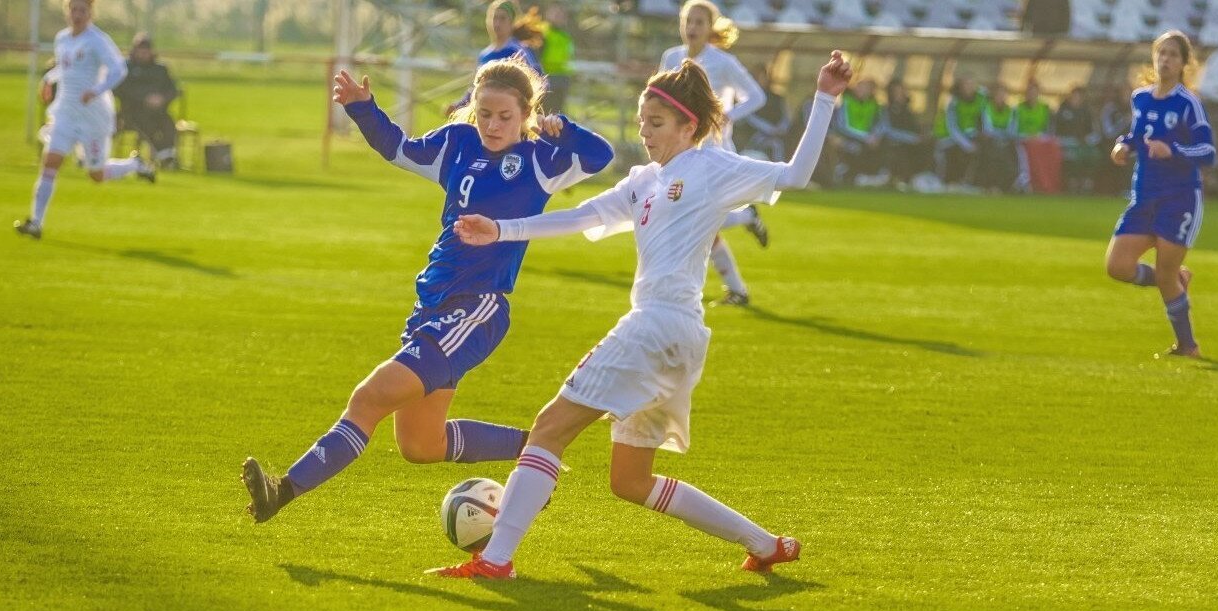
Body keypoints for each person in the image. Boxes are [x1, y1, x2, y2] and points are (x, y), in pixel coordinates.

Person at [428, 52, 856, 579]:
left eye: (655, 124)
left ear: (688, 125)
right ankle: (766, 544)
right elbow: (581, 215)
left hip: (655, 328)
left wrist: (823, 98)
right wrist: (501, 229)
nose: (645, 133)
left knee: (548, 430)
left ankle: (496, 561)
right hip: (678, 337)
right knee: (630, 481)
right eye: (640, 123)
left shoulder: (711, 168)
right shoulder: (644, 180)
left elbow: (796, 174)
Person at [239, 60, 613, 524]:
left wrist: (565, 131)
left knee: (369, 399)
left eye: (504, 116)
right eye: (484, 114)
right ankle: (536, 450)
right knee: (420, 445)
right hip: (432, 304)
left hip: (476, 308)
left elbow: (601, 156)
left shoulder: (542, 159)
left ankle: (283, 490)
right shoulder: (457, 142)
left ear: (526, 115)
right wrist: (363, 108)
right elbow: (398, 147)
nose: (492, 125)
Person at [1104, 30, 1215, 358]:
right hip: (1144, 197)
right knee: (1117, 266)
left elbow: (1207, 151)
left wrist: (1174, 150)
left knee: (1164, 273)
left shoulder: (1188, 104)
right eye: (1161, 53)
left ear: (1183, 63)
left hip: (1179, 198)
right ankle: (1177, 280)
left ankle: (1188, 345)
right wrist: (1123, 146)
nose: (1165, 59)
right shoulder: (1140, 98)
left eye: (1173, 55)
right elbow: (1138, 135)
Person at [660, 0, 771, 307]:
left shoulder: (722, 62)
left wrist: (728, 115)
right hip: (681, 151)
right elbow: (658, 97)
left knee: (696, 217)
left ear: (710, 28)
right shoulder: (671, 57)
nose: (692, 27)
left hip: (714, 151)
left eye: (699, 22)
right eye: (688, 21)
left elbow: (757, 96)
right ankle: (737, 289)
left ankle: (747, 215)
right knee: (701, 224)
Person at [14, 0, 153, 240]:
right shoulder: (62, 39)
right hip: (66, 113)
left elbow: (119, 70)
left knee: (96, 175)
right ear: (67, 11)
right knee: (50, 161)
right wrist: (48, 79)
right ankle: (36, 223)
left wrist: (97, 90)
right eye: (74, 9)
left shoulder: (97, 40)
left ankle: (135, 165)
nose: (78, 14)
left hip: (93, 117)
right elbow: (66, 68)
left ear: (91, 13)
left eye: (83, 10)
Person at [452, 1, 544, 113]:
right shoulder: (484, 54)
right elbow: (475, 88)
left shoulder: (517, 50)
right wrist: (458, 106)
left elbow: (540, 80)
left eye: (502, 18)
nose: (497, 23)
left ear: (512, 22)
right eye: (494, 18)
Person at [114, 32, 180, 169]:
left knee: (168, 124)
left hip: (158, 112)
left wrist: (162, 99)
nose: (143, 54)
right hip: (131, 113)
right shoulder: (125, 68)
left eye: (146, 50)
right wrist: (144, 99)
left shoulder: (160, 69)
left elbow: (173, 90)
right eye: (140, 50)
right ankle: (161, 157)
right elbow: (120, 90)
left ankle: (166, 157)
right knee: (146, 124)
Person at [832, 77, 887, 185]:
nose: (863, 90)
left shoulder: (875, 105)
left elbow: (881, 124)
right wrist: (866, 138)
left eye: (867, 88)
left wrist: (876, 136)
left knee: (884, 145)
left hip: (868, 139)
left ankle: (871, 175)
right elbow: (842, 126)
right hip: (848, 137)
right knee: (855, 148)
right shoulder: (845, 101)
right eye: (861, 87)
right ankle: (849, 174)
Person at [933, 76, 987, 189]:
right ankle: (949, 181)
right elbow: (952, 127)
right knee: (958, 151)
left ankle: (971, 182)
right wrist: (967, 144)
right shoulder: (953, 102)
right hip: (949, 137)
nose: (969, 87)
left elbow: (984, 118)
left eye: (971, 84)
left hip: (968, 136)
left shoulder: (981, 98)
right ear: (960, 87)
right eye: (966, 85)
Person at [878, 77, 929, 184]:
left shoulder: (908, 110)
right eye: (896, 92)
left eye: (902, 91)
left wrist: (921, 135)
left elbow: (914, 127)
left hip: (913, 143)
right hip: (897, 143)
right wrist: (912, 139)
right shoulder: (886, 110)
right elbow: (888, 131)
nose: (900, 94)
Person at [737, 63, 792, 160]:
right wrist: (768, 129)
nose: (759, 80)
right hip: (756, 139)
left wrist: (780, 128)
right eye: (756, 77)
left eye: (761, 77)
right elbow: (749, 117)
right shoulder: (746, 98)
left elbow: (786, 116)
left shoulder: (777, 98)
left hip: (779, 138)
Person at [532, 4, 575, 114]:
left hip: (562, 78)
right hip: (545, 77)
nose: (558, 16)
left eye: (561, 14)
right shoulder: (541, 31)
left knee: (557, 113)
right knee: (543, 112)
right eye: (556, 13)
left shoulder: (565, 36)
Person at [1054, 85, 1096, 192]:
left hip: (1083, 144)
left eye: (1079, 96)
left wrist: (1085, 139)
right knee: (1072, 158)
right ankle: (1072, 184)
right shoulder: (1062, 111)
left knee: (1093, 155)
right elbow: (1056, 132)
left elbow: (1092, 132)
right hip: (1066, 144)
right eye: (1074, 96)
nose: (1076, 99)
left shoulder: (1087, 112)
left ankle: (1086, 183)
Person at [980, 84, 1021, 192]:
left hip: (1006, 140)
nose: (1000, 96)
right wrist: (999, 135)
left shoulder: (1011, 111)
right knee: (992, 156)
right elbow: (987, 129)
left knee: (1010, 159)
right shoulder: (987, 109)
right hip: (991, 140)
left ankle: (1008, 186)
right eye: (998, 94)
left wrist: (1003, 136)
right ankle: (992, 185)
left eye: (1003, 94)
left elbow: (1012, 129)